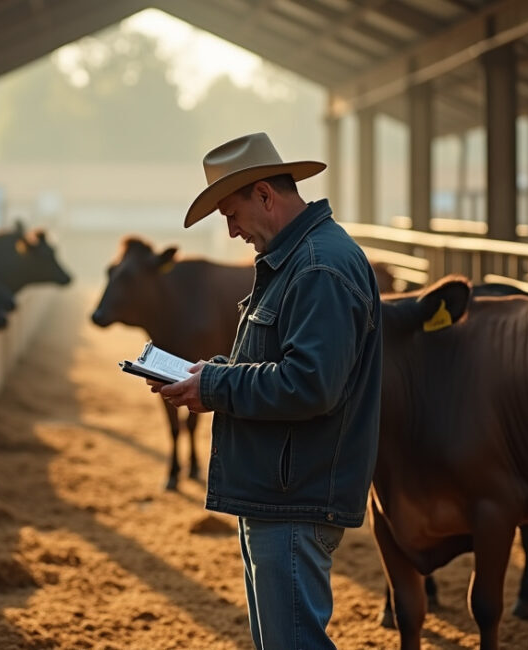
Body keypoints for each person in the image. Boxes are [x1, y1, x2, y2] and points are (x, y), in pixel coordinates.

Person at [147, 132, 382, 649]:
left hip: (295, 492)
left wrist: (215, 385)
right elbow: (281, 364)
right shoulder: (298, 259)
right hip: (280, 486)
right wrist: (208, 373)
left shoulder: (318, 267)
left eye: (231, 215)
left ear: (264, 195)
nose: (231, 231)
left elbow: (310, 384)